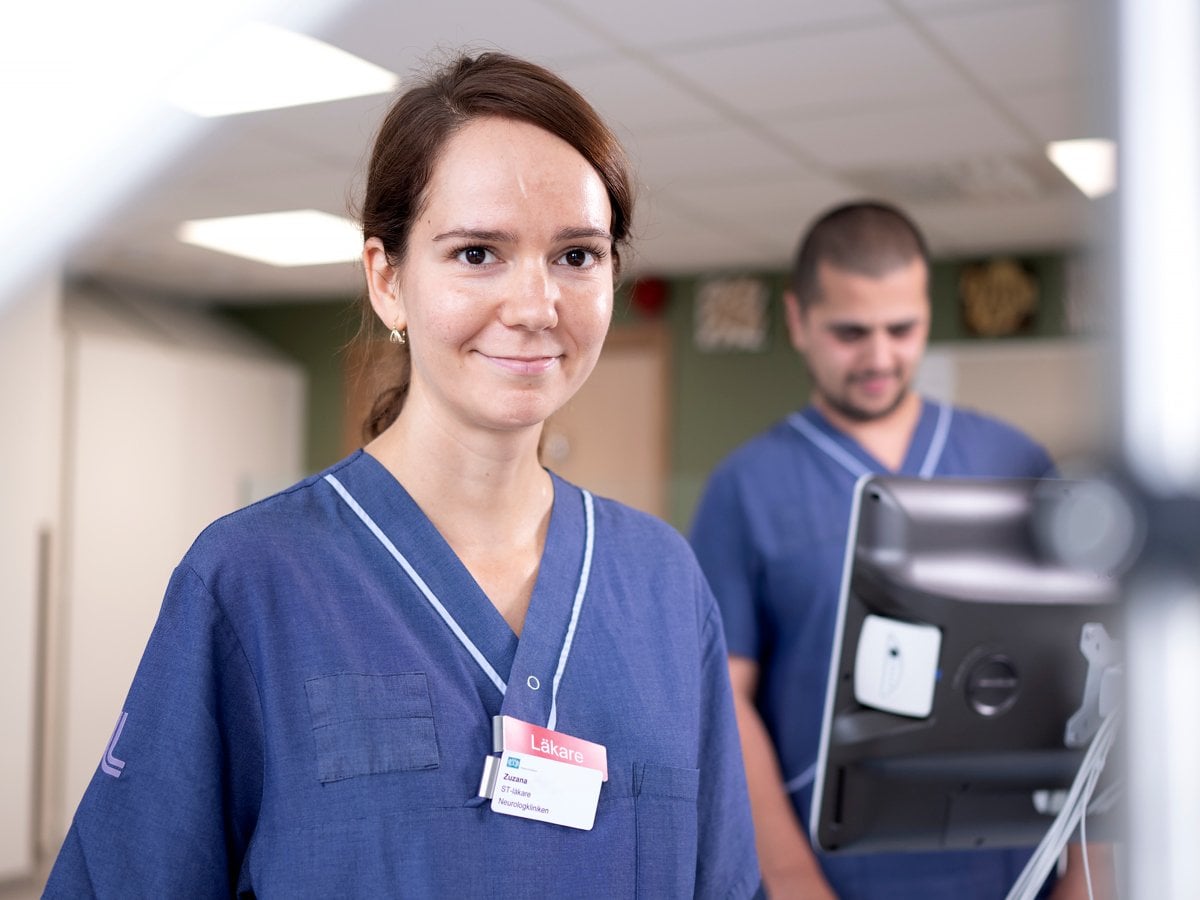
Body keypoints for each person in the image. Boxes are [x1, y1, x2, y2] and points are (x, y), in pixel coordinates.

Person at [44, 51, 761, 898]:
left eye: (576, 256)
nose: (535, 307)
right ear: (387, 280)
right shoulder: (254, 580)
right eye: (477, 253)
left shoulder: (663, 586)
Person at [689, 200, 1100, 899]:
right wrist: (791, 881)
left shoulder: (1014, 460)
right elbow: (726, 704)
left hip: (1011, 863)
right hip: (835, 868)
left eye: (901, 329)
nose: (880, 357)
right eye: (850, 332)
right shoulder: (746, 488)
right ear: (798, 321)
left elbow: (1086, 679)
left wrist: (1090, 874)